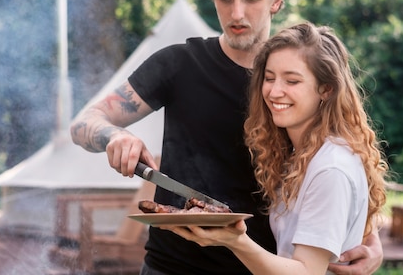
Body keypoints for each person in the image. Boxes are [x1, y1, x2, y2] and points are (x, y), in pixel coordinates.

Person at [70, 0, 383, 274]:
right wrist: (114, 135)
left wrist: (369, 237)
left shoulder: (299, 79)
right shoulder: (178, 64)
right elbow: (85, 122)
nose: (236, 14)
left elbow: (340, 163)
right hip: (172, 267)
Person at [161, 22, 389, 275]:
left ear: (326, 89)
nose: (274, 91)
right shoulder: (300, 156)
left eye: (292, 81)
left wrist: (236, 241)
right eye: (269, 78)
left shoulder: (330, 168)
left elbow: (306, 272)